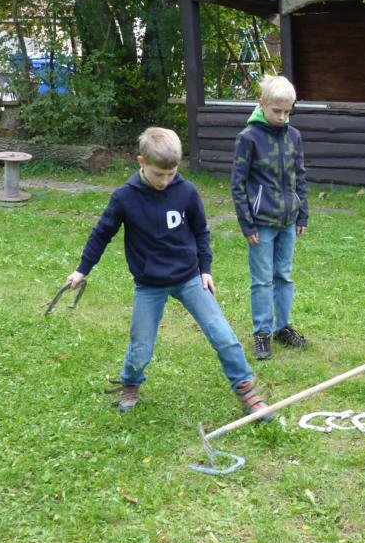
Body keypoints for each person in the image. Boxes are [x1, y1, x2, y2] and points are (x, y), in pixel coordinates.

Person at [65, 127, 273, 419]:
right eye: (158, 174)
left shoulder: (186, 192)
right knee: (141, 346)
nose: (165, 181)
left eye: (171, 174)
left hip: (189, 278)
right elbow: (101, 234)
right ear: (141, 162)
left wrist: (205, 269)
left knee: (223, 334)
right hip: (149, 284)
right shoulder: (125, 197)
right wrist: (82, 270)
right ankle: (130, 383)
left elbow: (201, 232)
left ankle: (246, 389)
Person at [231, 75, 309, 360]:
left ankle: (282, 327)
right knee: (262, 280)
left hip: (288, 222)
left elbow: (300, 176)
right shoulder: (248, 138)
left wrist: (302, 215)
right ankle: (262, 333)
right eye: (277, 111)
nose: (282, 117)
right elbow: (238, 184)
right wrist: (247, 224)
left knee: (283, 276)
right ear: (262, 104)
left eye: (288, 111)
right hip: (261, 226)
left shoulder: (293, 136)